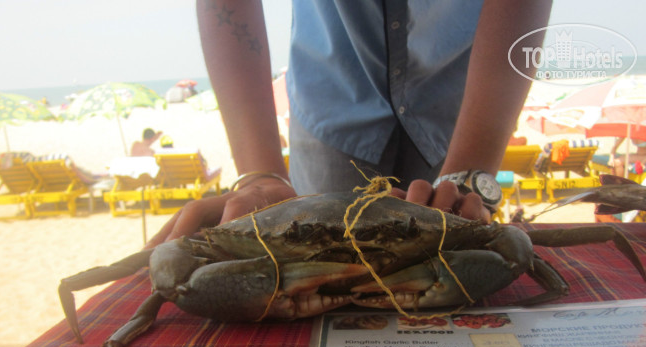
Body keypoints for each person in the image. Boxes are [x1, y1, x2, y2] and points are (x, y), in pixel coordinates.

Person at [150, 0, 552, 247]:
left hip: (467, 107)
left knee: (459, 248)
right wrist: (260, 173)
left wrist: (471, 170)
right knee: (303, 251)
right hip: (330, 108)